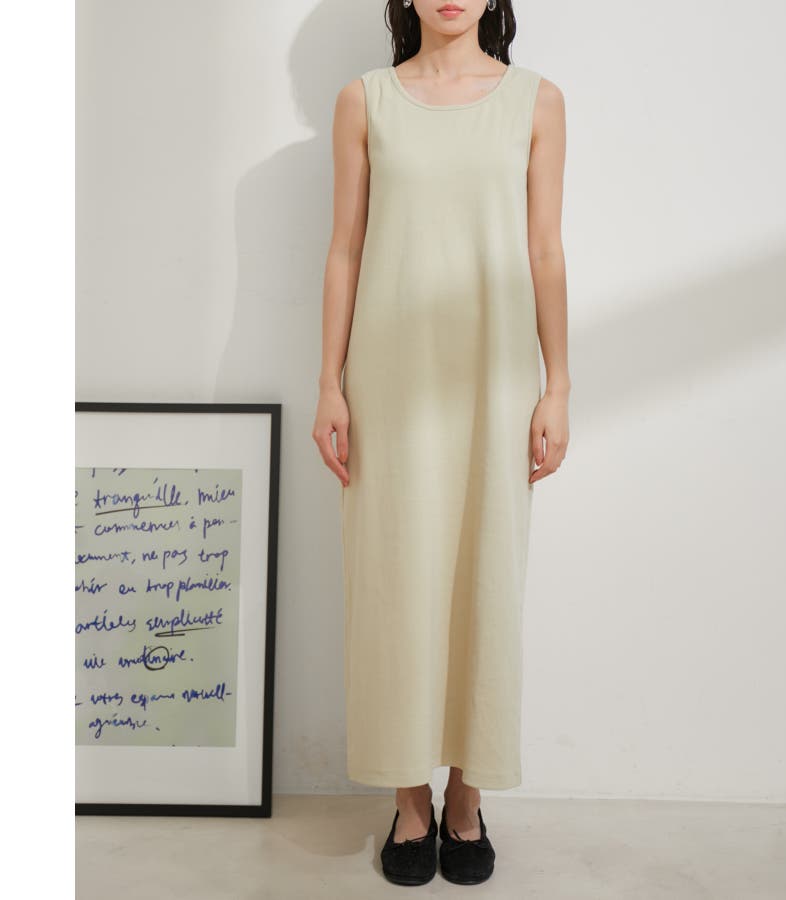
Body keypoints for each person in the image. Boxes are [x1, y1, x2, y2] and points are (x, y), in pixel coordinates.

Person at [312, 0, 569, 886]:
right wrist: (330, 381)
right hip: (390, 376)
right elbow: (344, 249)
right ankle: (408, 799)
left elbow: (545, 250)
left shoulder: (537, 101)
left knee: (485, 571)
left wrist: (557, 385)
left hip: (494, 375)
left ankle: (468, 793)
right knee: (395, 578)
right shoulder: (365, 101)